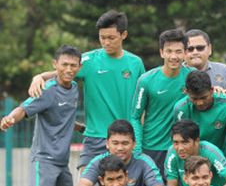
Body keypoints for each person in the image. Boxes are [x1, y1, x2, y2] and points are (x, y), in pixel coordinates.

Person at [28, 10, 145, 170]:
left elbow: (141, 107)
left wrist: (137, 141)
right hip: (95, 138)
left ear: (123, 35)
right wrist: (40, 77)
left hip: (124, 140)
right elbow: (62, 73)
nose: (106, 42)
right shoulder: (88, 61)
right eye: (102, 38)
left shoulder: (135, 63)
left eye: (111, 38)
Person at [1, 45, 81, 186]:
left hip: (62, 159)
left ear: (79, 67)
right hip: (44, 157)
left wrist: (80, 127)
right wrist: (9, 118)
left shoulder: (74, 88)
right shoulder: (46, 90)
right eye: (63, 64)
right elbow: (24, 108)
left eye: (72, 65)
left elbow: (62, 115)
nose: (68, 69)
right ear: (55, 65)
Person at [130, 29, 190, 171]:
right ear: (161, 52)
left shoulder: (192, 77)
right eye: (169, 51)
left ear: (185, 53)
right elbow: (135, 117)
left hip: (181, 148)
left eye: (178, 51)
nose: (173, 56)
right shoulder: (146, 80)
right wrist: (137, 149)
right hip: (151, 148)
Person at [77, 120, 165, 186]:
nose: (120, 148)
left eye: (125, 143)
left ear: (134, 144)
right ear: (107, 144)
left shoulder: (144, 161)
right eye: (115, 143)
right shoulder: (98, 161)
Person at [174, 71, 226, 169]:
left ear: (211, 90)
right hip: (193, 163)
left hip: (222, 160)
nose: (200, 103)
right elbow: (180, 141)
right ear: (186, 92)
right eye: (194, 98)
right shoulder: (180, 109)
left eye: (204, 97)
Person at [184, 29, 226, 93]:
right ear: (183, 52)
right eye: (190, 49)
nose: (195, 52)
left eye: (200, 48)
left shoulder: (223, 70)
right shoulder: (177, 75)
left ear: (209, 49)